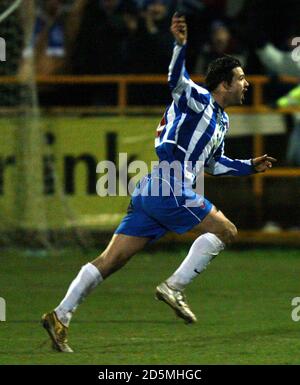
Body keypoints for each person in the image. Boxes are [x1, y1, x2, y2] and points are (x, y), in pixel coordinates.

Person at [41, 14, 276, 352]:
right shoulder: (198, 98)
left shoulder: (221, 121)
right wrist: (179, 46)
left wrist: (248, 167)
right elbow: (176, 80)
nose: (246, 84)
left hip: (154, 187)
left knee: (111, 260)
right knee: (226, 231)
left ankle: (61, 315)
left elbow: (214, 164)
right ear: (223, 84)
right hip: (170, 186)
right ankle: (174, 287)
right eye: (240, 78)